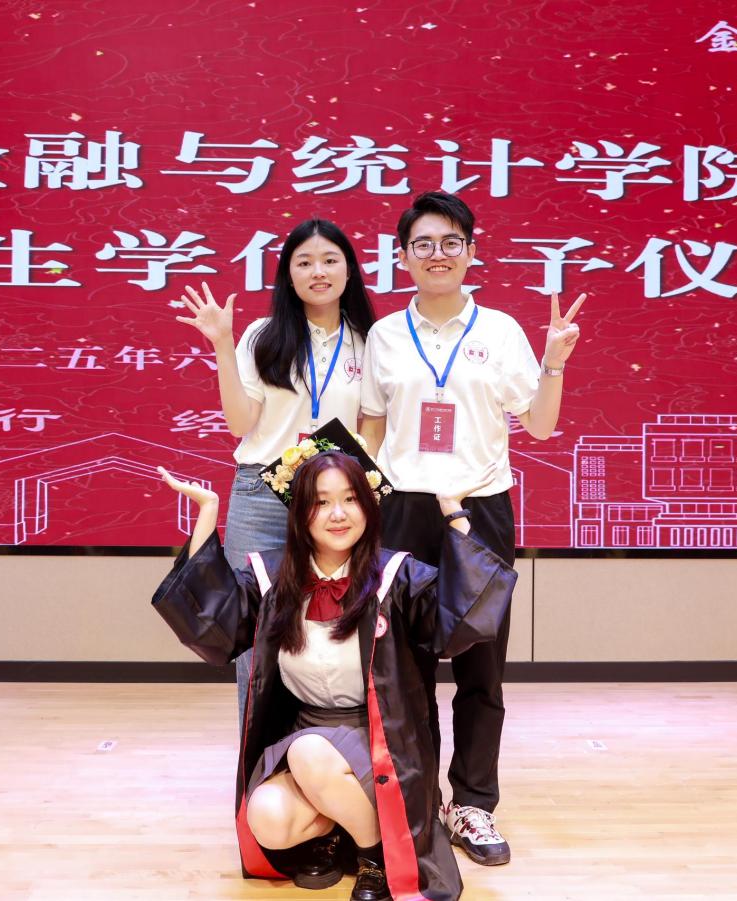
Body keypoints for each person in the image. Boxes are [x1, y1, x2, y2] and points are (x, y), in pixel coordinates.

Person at [152, 448, 516, 901]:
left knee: (309, 754)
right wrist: (209, 514)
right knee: (267, 817)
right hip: (307, 730)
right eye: (321, 502)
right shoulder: (274, 579)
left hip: (382, 741)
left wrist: (454, 513)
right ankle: (338, 830)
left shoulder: (396, 576)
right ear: (300, 513)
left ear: (368, 505)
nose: (337, 514)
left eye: (349, 499)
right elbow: (214, 625)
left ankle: (375, 856)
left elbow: (463, 619)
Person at [358, 191, 585, 867]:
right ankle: (420, 798)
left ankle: (474, 803)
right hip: (404, 510)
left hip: (479, 510)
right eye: (424, 244)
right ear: (402, 256)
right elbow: (372, 428)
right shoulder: (385, 335)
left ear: (471, 252)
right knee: (406, 669)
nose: (438, 255)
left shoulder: (502, 330)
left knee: (481, 666)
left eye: (451, 242)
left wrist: (554, 361)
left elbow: (539, 424)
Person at [174, 218, 377, 724]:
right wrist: (223, 344)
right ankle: (258, 754)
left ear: (349, 270)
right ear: (288, 274)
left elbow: (374, 426)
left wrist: (357, 489)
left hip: (335, 501)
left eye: (329, 260)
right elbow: (239, 423)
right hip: (263, 495)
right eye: (304, 262)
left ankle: (327, 744)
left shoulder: (370, 341)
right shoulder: (263, 336)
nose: (318, 271)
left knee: (332, 623)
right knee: (255, 625)